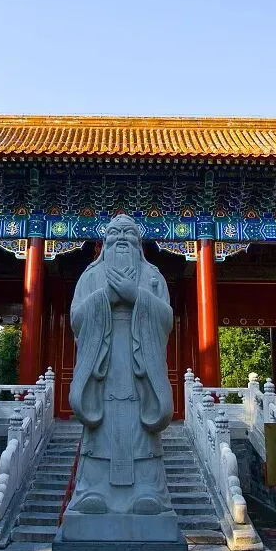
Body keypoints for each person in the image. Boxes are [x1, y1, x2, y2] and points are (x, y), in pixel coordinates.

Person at [67, 214, 175, 515]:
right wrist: (105, 298)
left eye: (129, 234)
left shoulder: (152, 276)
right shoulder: (90, 276)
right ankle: (93, 490)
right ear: (105, 242)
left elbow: (166, 320)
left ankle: (148, 491)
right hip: (103, 366)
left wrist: (136, 296)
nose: (122, 239)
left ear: (139, 243)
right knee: (100, 429)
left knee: (142, 428)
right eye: (115, 234)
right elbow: (76, 319)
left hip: (140, 367)